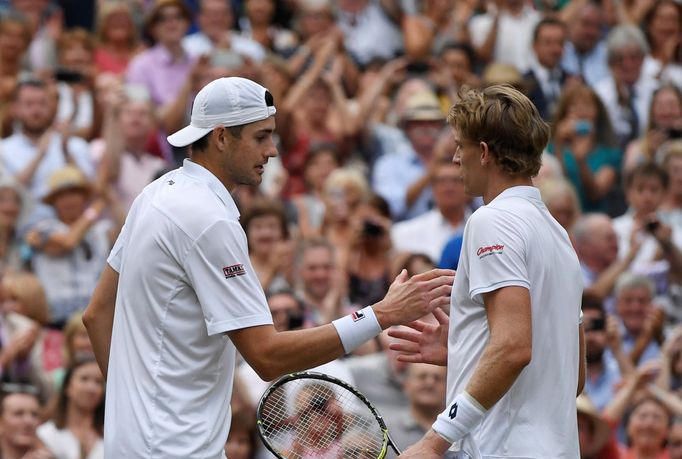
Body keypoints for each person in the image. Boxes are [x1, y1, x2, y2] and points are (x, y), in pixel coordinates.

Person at [82, 76, 454, 459]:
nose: (273, 150)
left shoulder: (156, 193)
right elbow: (267, 356)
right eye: (261, 137)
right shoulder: (210, 220)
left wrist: (135, 410)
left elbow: (96, 315)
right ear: (222, 137)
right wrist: (382, 314)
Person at [389, 85, 584, 458]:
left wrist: (433, 441)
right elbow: (571, 376)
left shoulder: (491, 221)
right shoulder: (559, 235)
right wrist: (469, 351)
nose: (455, 159)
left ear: (483, 153)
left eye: (460, 147)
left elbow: (512, 348)